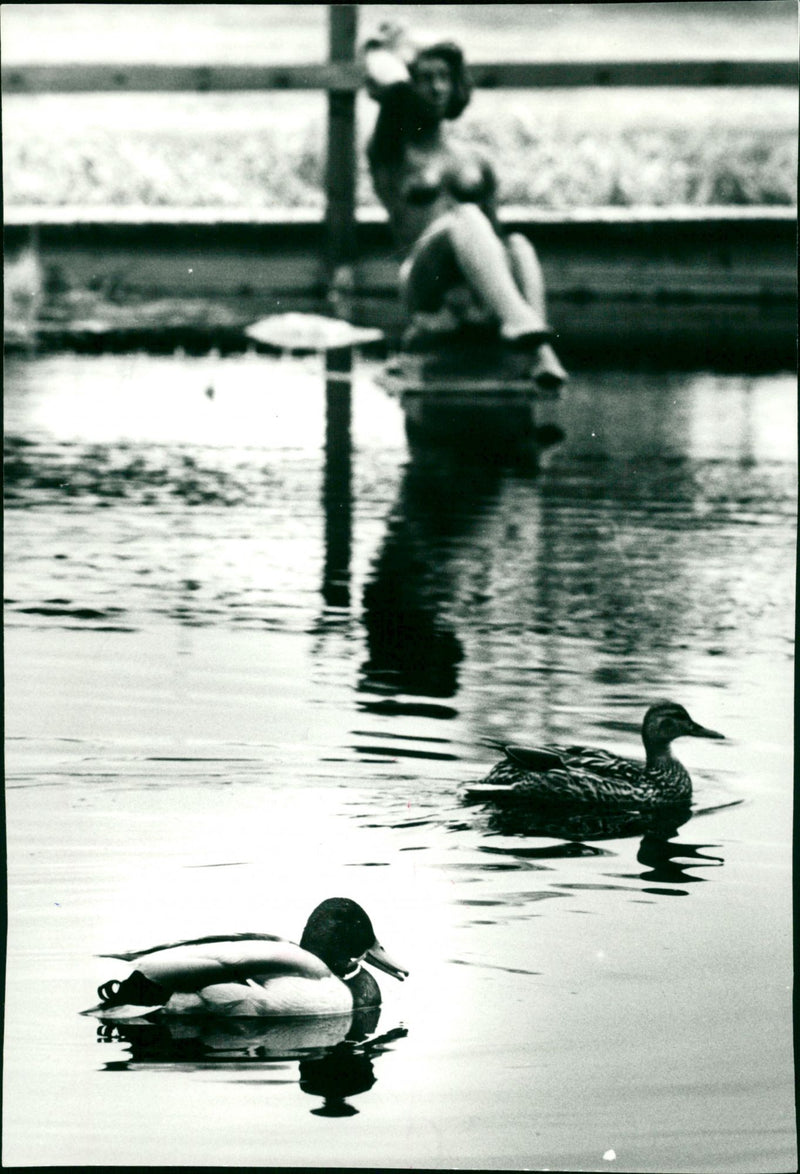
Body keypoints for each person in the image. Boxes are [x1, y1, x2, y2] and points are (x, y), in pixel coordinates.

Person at [363, 23, 567, 390]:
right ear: (410, 84)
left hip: (472, 291)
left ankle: (538, 353)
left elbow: (494, 241)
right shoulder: (393, 151)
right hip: (423, 281)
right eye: (425, 78)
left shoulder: (475, 160)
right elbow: (385, 75)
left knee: (518, 244)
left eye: (444, 76)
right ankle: (519, 320)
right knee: (466, 217)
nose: (437, 87)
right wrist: (397, 45)